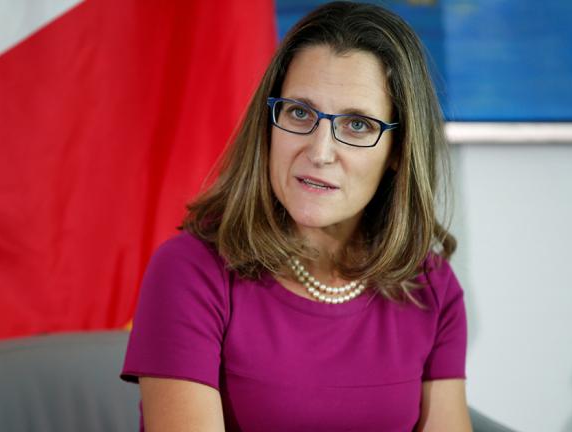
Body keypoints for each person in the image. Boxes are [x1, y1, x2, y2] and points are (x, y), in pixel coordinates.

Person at [121, 2, 471, 431]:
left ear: (398, 151)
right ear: (270, 124)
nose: (319, 152)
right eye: (300, 113)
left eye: (357, 125)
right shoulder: (190, 271)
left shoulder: (431, 287)